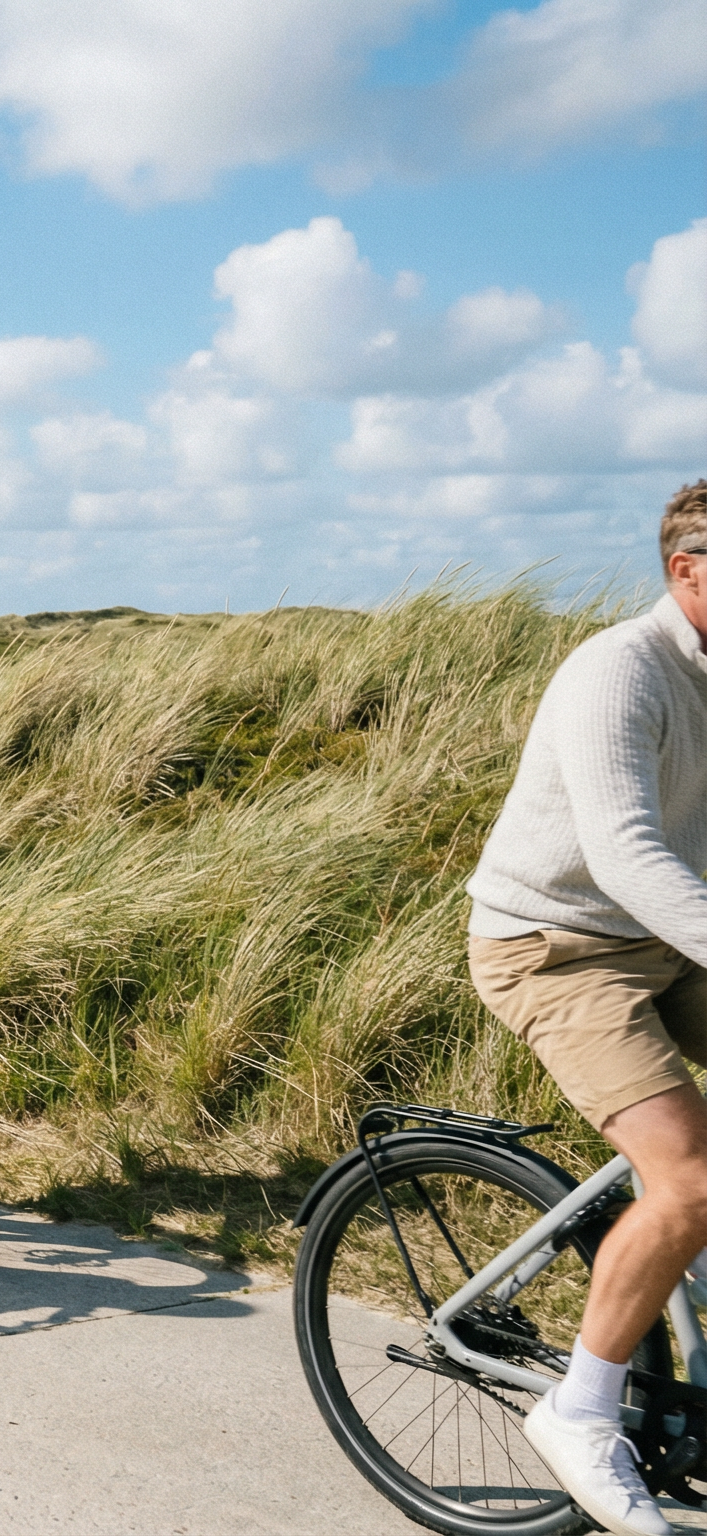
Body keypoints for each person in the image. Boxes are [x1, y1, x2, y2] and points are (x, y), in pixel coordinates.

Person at [467, 479, 707, 1536]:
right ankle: (580, 1411)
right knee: (690, 1177)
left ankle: (684, 1256)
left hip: (662, 939)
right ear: (686, 570)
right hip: (553, 949)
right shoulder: (620, 671)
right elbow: (626, 854)